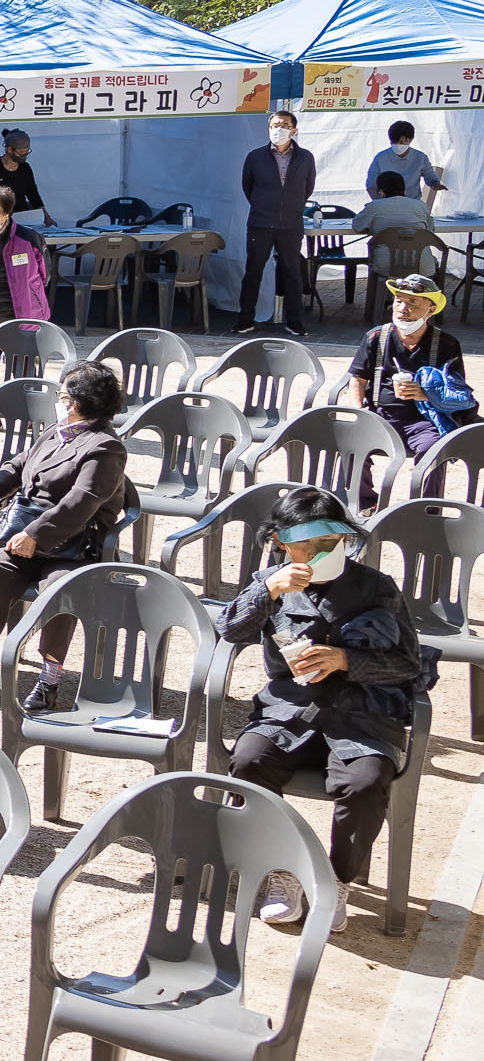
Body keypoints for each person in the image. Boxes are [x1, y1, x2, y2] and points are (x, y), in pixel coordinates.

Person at [221, 486, 424, 935]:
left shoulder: (376, 587)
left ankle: (337, 880)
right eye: (302, 546)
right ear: (280, 543)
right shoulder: (271, 581)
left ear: (344, 541)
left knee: (366, 781)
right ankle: (279, 870)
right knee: (249, 760)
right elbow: (228, 630)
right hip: (289, 711)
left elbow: (410, 663)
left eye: (326, 545)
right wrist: (265, 593)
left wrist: (347, 660)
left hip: (362, 712)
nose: (313, 555)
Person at [0, 362, 134, 704]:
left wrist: (36, 534)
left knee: (58, 588)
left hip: (75, 545)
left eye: (62, 395)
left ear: (77, 402)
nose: (58, 401)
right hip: (25, 537)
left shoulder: (105, 447)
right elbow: (17, 465)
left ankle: (49, 681)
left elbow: (82, 502)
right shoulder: (58, 430)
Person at [347, 273, 466, 475]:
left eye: (412, 303)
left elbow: (457, 391)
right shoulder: (377, 337)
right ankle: (364, 504)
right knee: (351, 443)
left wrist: (424, 394)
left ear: (431, 310)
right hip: (380, 416)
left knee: (434, 451)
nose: (403, 309)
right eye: (398, 301)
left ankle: (427, 507)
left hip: (423, 421)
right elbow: (357, 379)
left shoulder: (447, 344)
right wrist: (360, 412)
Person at [0, 181, 51, 390]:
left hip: (21, 317)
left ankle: (27, 417)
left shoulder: (28, 238)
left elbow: (44, 274)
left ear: (7, 213)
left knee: (22, 370)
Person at [240, 109, 316, 337]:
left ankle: (294, 322)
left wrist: (291, 207)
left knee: (292, 273)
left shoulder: (305, 157)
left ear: (294, 130)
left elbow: (308, 188)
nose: (278, 129)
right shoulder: (255, 156)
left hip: (291, 225)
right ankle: (245, 319)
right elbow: (248, 187)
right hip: (260, 222)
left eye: (283, 125)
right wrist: (265, 206)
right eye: (274, 125)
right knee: (253, 271)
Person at [0, 129, 54, 225]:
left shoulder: (25, 168)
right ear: (9, 149)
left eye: (27, 152)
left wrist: (46, 217)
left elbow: (33, 196)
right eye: (21, 152)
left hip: (24, 217)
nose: (24, 155)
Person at [366, 120, 445, 210]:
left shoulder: (420, 158)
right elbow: (371, 185)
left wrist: (435, 184)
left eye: (401, 142)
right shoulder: (381, 158)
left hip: (412, 205)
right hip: (387, 206)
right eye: (394, 142)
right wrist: (380, 203)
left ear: (410, 139)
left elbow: (430, 176)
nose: (398, 146)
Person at [352, 170, 432, 235]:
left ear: (381, 192)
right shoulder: (421, 206)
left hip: (385, 254)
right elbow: (430, 230)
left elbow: (357, 226)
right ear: (404, 190)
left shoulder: (374, 206)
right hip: (418, 254)